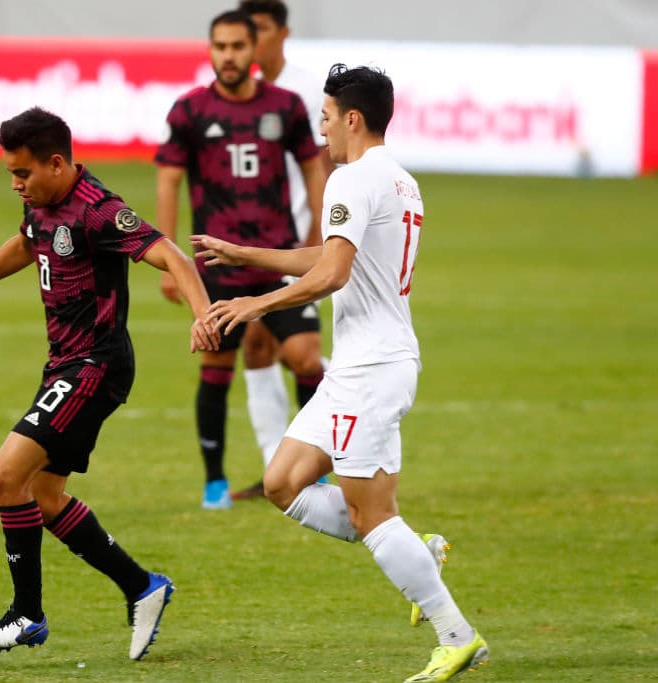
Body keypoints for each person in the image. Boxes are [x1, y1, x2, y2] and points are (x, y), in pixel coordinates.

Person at [194, 64, 490, 681]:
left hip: (373, 367)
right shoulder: (400, 180)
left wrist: (256, 303)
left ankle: (455, 634)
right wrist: (249, 256)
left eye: (326, 117)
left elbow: (332, 274)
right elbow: (332, 253)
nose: (321, 128)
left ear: (352, 118)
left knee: (370, 516)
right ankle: (418, 556)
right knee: (283, 482)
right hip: (362, 365)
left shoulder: (351, 178)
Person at [0, 107, 219, 660]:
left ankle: (27, 615)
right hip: (65, 363)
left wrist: (202, 314)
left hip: (95, 364)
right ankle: (142, 587)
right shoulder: (41, 206)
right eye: (11, 174)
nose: (16, 184)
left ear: (56, 163)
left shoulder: (99, 212)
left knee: (6, 474)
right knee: (44, 494)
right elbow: (27, 242)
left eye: (23, 173)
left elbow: (172, 255)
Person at [155, 9, 329, 509]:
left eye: (237, 46)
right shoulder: (188, 111)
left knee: (305, 357)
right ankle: (215, 482)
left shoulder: (287, 106)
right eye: (220, 46)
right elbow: (168, 182)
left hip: (278, 260)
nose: (228, 55)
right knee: (216, 365)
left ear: (254, 50)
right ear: (211, 50)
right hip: (216, 267)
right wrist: (169, 259)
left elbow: (314, 171)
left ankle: (313, 471)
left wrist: (317, 237)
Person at [233, 0, 335, 501]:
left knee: (303, 354)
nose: (253, 39)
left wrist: (320, 232)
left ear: (282, 33)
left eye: (262, 30)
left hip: (298, 241)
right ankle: (277, 464)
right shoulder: (240, 96)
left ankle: (340, 430)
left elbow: (325, 162)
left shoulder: (303, 88)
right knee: (255, 345)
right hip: (255, 243)